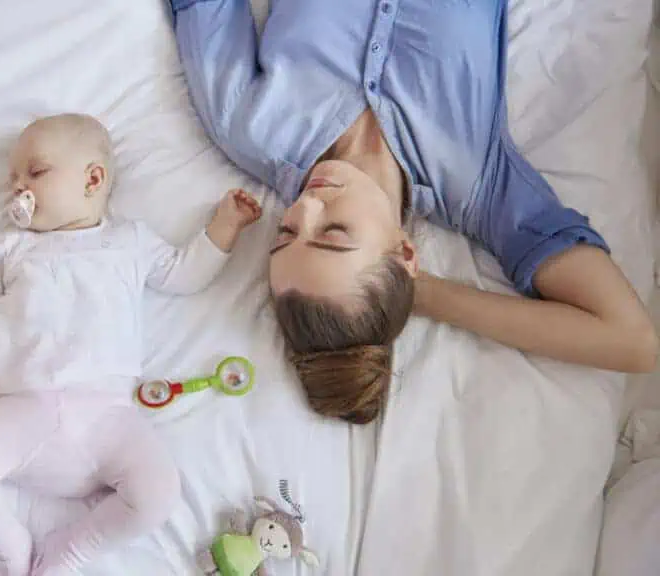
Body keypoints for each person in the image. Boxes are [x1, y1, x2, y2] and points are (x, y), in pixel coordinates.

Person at [167, 0, 658, 424]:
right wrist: (413, 295)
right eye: (334, 233)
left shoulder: (248, 125)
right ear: (405, 252)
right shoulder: (478, 187)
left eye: (287, 229)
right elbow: (632, 341)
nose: (309, 202)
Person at [0, 113, 261, 575]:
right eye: (13, 179)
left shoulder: (130, 242)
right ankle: (12, 550)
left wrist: (225, 226)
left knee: (159, 493)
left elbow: (186, 274)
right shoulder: (10, 246)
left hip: (108, 418)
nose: (19, 188)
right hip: (24, 408)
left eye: (36, 173)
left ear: (93, 179)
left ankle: (72, 551)